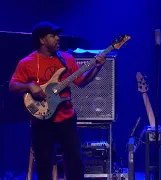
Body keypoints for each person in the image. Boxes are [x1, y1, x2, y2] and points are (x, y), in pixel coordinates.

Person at [9, 22, 107, 180]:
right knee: (44, 165)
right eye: (53, 35)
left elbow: (81, 82)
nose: (57, 38)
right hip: (40, 120)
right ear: (42, 39)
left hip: (66, 118)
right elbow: (13, 86)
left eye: (57, 35)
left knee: (75, 162)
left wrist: (97, 67)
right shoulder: (27, 62)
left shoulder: (66, 59)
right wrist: (29, 86)